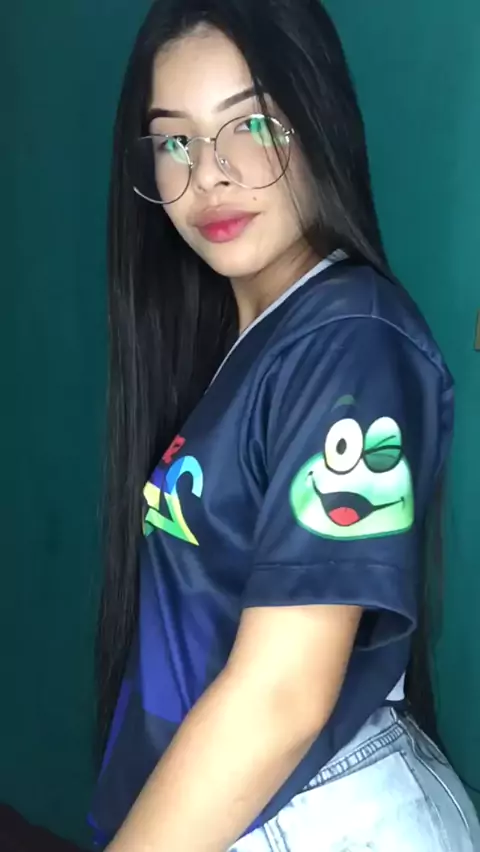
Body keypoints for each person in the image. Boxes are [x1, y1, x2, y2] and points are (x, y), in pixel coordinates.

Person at [89, 0, 480, 849]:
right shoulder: (248, 348)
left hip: (327, 816)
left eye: (251, 125)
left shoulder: (348, 341)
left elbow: (282, 696)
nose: (210, 175)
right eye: (175, 142)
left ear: (317, 121)